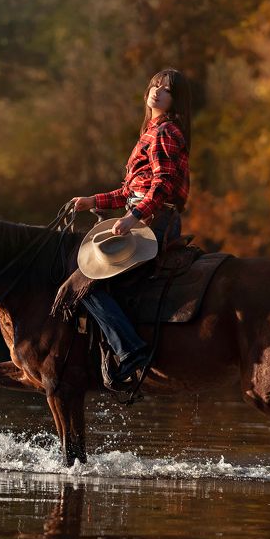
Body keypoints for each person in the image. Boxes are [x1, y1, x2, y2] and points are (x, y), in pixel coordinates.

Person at [70, 68, 192, 390]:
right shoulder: (149, 132)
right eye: (155, 86)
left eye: (167, 90)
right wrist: (90, 200)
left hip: (155, 220)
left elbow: (163, 185)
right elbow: (128, 190)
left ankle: (130, 350)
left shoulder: (165, 131)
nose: (158, 92)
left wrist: (134, 217)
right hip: (142, 214)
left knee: (88, 284)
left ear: (176, 100)